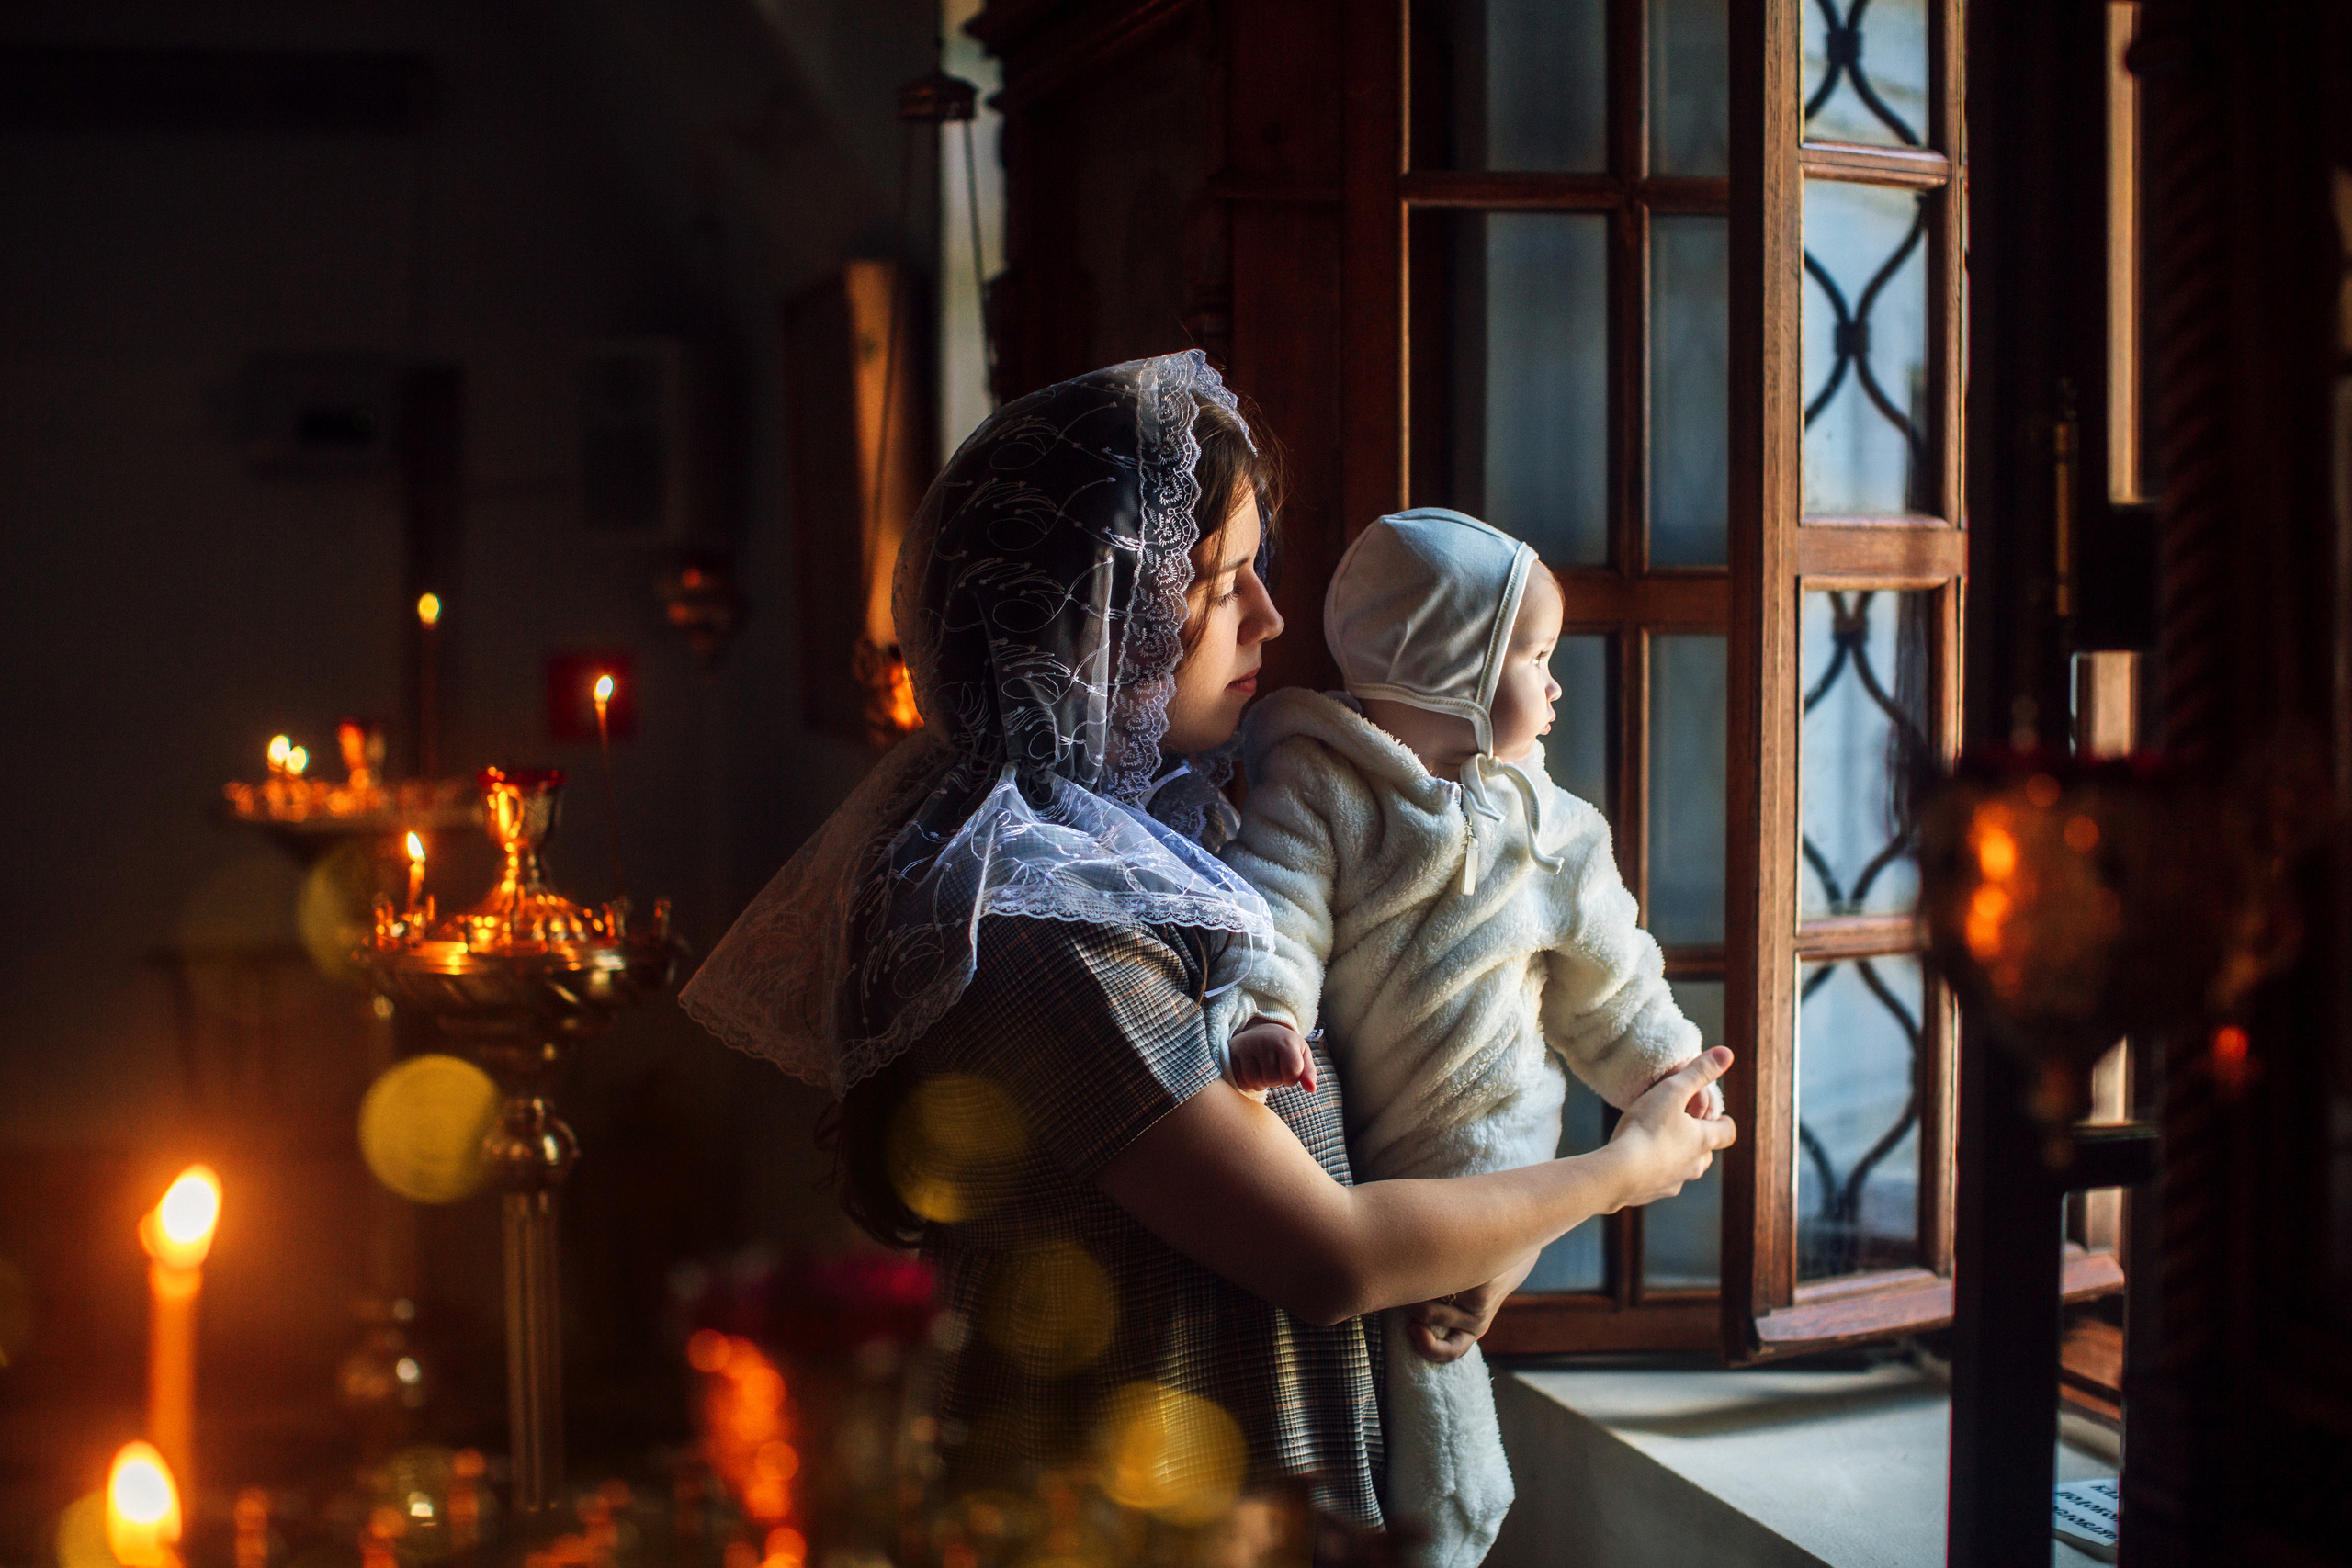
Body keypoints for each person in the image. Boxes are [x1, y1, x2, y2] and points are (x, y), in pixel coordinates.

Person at [680, 355, 1736, 1539]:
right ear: (1099, 617)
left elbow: (1405, 1092)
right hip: (1121, 1526)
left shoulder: (1187, 843)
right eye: (1222, 582)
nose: (1272, 620)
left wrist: (1493, 1241)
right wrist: (1620, 1175)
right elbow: (1328, 1258)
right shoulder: (1042, 935)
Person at [1211, 507, 1724, 1566]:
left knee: (1439, 1368)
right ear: (1448, 669)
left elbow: (1610, 980)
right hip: (1381, 1163)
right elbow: (1277, 906)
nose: (1555, 684)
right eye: (1534, 657)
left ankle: (1448, 1523)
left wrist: (1666, 1072)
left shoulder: (1558, 835)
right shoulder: (1319, 787)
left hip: (1501, 1153)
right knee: (1408, 1363)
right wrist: (1265, 1011)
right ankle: (1426, 1532)